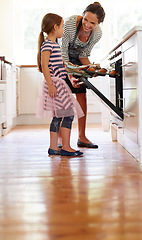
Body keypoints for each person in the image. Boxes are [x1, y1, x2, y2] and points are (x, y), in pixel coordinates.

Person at [36, 13, 84, 157]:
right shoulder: (48, 45)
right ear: (55, 27)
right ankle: (66, 147)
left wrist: (70, 78)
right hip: (56, 85)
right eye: (62, 26)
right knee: (68, 115)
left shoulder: (54, 44)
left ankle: (53, 147)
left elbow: (60, 67)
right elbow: (44, 66)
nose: (63, 29)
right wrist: (51, 85)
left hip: (60, 83)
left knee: (58, 116)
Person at [61, 2, 105, 148]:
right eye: (86, 19)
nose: (87, 24)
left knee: (81, 94)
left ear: (98, 23)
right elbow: (63, 55)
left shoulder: (97, 34)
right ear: (83, 14)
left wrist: (90, 69)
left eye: (92, 23)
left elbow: (84, 55)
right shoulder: (69, 24)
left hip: (77, 60)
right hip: (61, 58)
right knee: (64, 95)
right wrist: (70, 76)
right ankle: (61, 138)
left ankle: (82, 136)